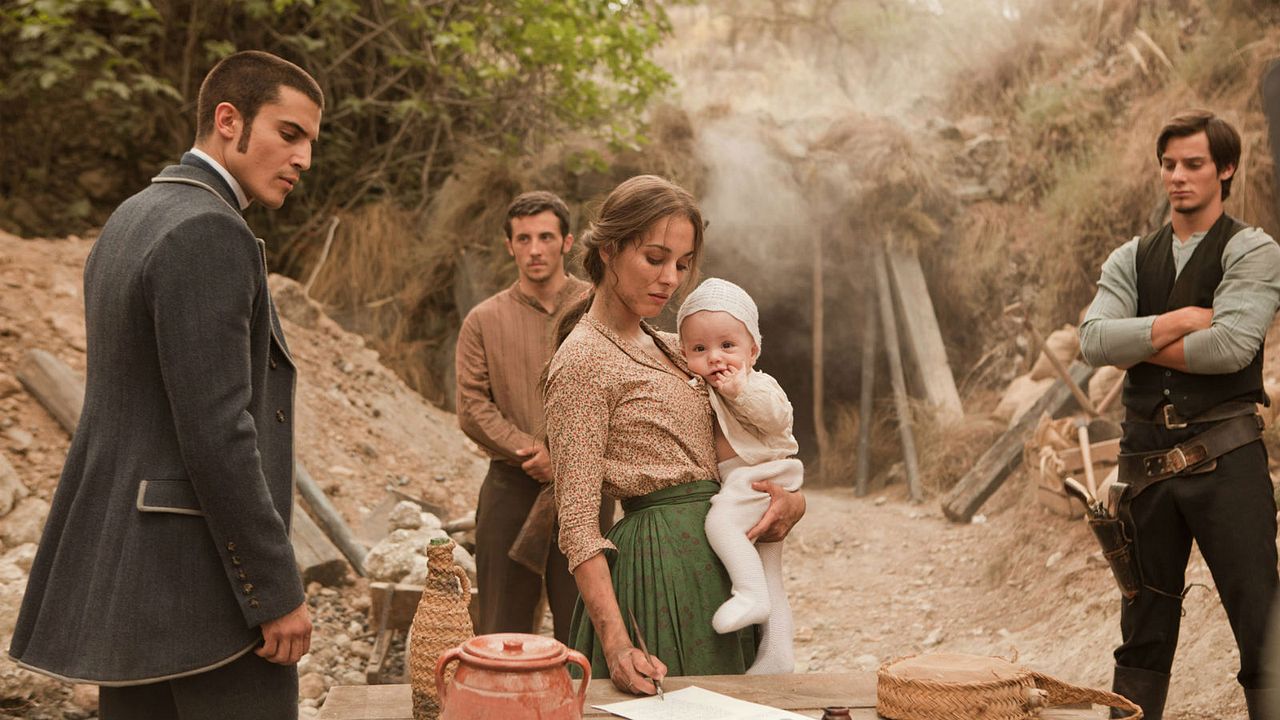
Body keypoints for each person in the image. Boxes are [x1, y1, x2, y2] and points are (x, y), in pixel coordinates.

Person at [9, 51, 323, 719]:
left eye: (311, 143)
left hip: (134, 591)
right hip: (201, 594)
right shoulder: (210, 230)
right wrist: (273, 590)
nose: (303, 160)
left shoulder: (133, 218)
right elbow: (217, 431)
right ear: (228, 120)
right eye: (288, 133)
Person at [543, 175, 806, 694]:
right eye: (656, 258)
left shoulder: (676, 345)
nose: (670, 278)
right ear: (611, 249)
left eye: (682, 264)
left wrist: (792, 502)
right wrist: (617, 645)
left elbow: (753, 435)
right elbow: (575, 525)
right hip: (657, 572)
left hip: (720, 563)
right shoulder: (580, 361)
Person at [1079, 109, 1280, 720]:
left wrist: (1133, 341)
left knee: (1261, 622)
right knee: (1143, 631)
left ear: (1226, 169)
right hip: (1143, 469)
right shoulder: (1130, 258)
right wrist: (1178, 322)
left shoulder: (1252, 250)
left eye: (1193, 164)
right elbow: (1092, 342)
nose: (1178, 177)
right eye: (1169, 165)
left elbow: (1230, 349)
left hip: (1227, 460)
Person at [455, 190, 611, 643]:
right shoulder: (483, 320)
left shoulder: (598, 307)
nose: (535, 249)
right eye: (523, 239)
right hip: (512, 486)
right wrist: (532, 450)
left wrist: (567, 456)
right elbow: (471, 407)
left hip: (585, 485)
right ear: (510, 246)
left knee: (586, 622)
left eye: (546, 237)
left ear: (567, 242)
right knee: (502, 626)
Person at [676, 277, 803, 675]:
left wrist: (739, 390)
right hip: (751, 480)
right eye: (700, 349)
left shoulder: (758, 384)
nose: (715, 358)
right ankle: (778, 656)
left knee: (722, 521)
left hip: (762, 476)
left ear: (754, 350)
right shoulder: (704, 388)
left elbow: (776, 416)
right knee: (771, 572)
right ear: (683, 354)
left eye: (727, 346)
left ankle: (747, 594)